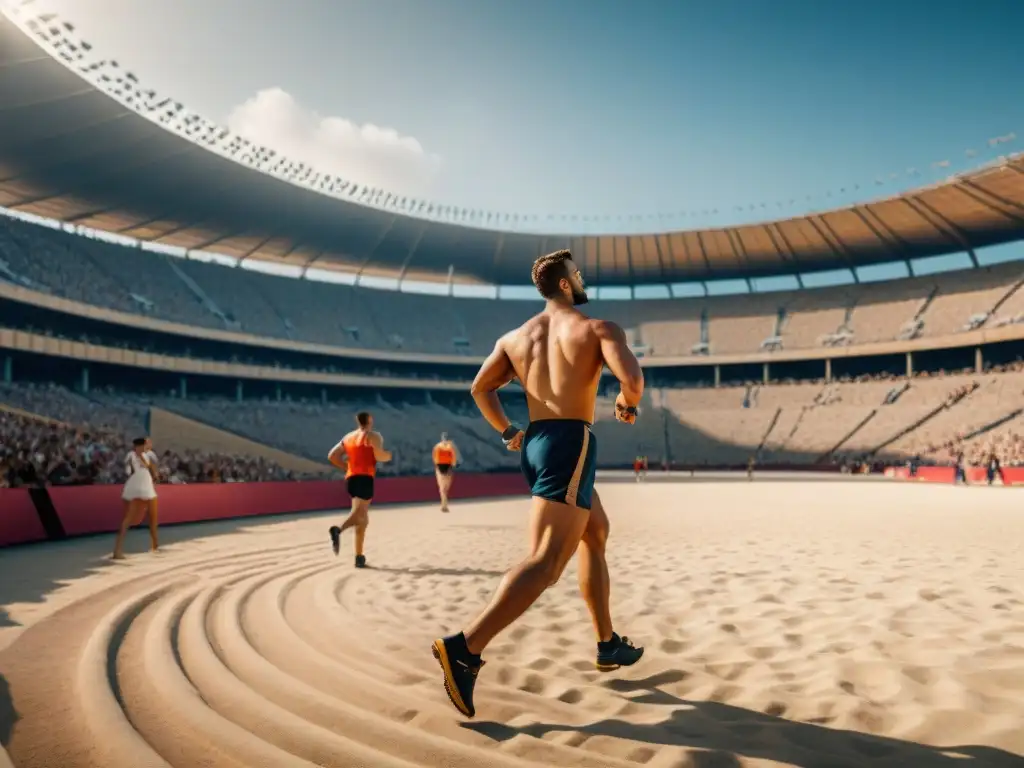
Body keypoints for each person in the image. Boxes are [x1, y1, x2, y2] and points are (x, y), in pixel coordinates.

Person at [431, 249, 645, 719]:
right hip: (571, 440)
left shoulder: (514, 338)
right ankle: (465, 648)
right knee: (545, 562)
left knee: (596, 531)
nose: (583, 278)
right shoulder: (598, 329)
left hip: (537, 440)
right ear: (566, 284)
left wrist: (508, 431)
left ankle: (607, 642)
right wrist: (628, 404)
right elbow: (632, 378)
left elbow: (480, 388)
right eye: (578, 274)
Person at [327, 411, 392, 568]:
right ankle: (338, 529)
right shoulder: (373, 436)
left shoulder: (348, 437)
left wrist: (346, 467)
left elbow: (332, 456)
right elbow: (379, 456)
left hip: (352, 478)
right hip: (365, 478)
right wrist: (388, 456)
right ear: (370, 421)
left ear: (358, 421)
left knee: (362, 518)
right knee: (358, 516)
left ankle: (359, 557)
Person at [112, 437, 160, 560]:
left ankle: (154, 544)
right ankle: (118, 550)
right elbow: (139, 466)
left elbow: (149, 467)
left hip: (142, 484)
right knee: (133, 518)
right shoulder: (135, 455)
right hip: (141, 485)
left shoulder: (142, 454)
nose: (146, 446)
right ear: (139, 446)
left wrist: (154, 475)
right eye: (144, 445)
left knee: (146, 516)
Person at [432, 432, 459, 512]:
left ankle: (444, 504)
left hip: (441, 467)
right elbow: (454, 460)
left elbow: (435, 459)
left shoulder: (438, 446)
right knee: (444, 488)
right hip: (446, 467)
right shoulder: (451, 447)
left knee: (443, 488)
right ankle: (444, 505)